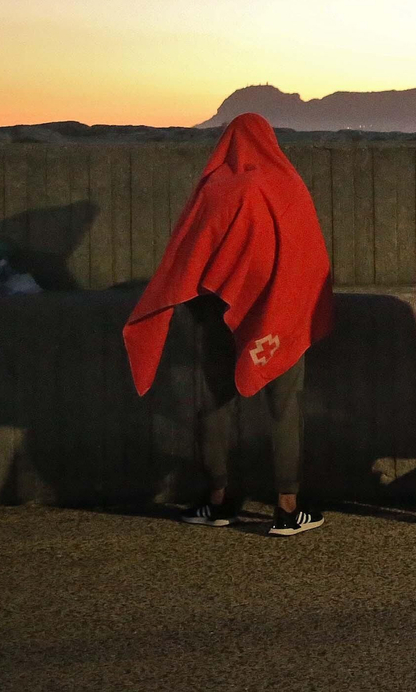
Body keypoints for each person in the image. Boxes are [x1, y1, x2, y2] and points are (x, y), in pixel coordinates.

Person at [123, 113, 333, 536]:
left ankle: (218, 503)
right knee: (285, 407)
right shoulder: (285, 185)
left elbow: (188, 255)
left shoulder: (213, 188)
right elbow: (306, 259)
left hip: (215, 314)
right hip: (276, 314)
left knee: (216, 404)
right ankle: (288, 510)